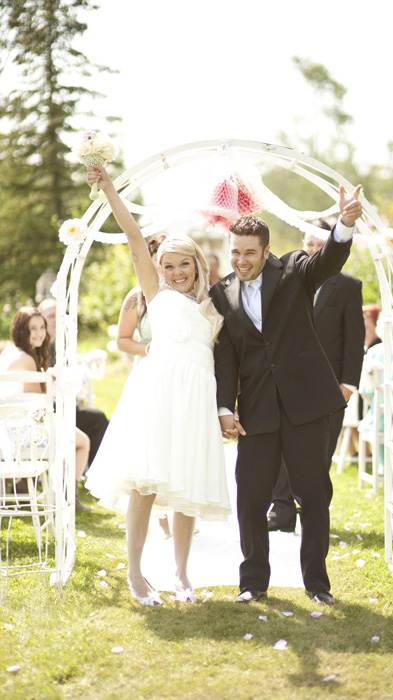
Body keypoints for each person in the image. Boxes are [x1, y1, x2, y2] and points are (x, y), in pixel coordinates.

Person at [85, 165, 230, 607]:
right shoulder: (155, 294)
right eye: (168, 265)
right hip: (158, 394)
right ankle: (135, 571)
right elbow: (133, 238)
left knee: (185, 486)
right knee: (144, 485)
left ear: (198, 266)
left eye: (183, 264)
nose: (175, 271)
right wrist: (110, 189)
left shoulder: (215, 304)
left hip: (196, 399)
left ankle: (183, 575)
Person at [210, 184, 363, 605]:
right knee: (251, 499)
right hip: (256, 411)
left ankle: (317, 584)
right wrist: (225, 408)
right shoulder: (220, 294)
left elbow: (329, 260)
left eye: (249, 253)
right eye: (235, 252)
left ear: (266, 251)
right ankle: (253, 583)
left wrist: (345, 224)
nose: (241, 260)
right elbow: (225, 360)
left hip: (308, 406)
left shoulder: (295, 270)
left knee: (313, 496)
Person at [268, 221, 365, 533]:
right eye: (307, 244)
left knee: (319, 455)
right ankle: (281, 512)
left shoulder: (348, 287)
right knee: (282, 449)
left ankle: (313, 515)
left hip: (330, 386)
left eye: (318, 245)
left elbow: (354, 339)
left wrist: (348, 385)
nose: (311, 251)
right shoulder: (284, 282)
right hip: (287, 384)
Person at [0, 306, 91, 510]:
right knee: (82, 442)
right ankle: (70, 498)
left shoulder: (10, 351)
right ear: (21, 330)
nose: (40, 333)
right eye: (33, 329)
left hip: (9, 425)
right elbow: (40, 399)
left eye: (42, 327)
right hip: (20, 431)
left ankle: (33, 486)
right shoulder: (26, 359)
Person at [116, 234, 172, 539]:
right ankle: (160, 520)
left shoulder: (185, 292)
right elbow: (122, 340)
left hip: (177, 377)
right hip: (149, 375)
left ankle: (176, 509)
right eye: (157, 256)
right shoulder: (137, 297)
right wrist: (150, 349)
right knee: (152, 446)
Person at [38, 298, 109, 469]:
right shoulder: (37, 347)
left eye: (60, 314)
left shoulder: (60, 344)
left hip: (64, 404)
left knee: (98, 418)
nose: (57, 319)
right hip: (48, 409)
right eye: (51, 316)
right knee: (97, 419)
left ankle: (93, 471)